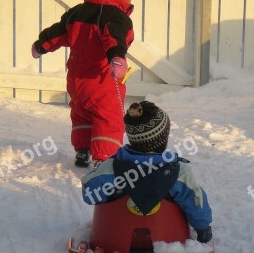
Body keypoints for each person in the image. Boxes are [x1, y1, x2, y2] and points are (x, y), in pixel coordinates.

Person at [31, 0, 146, 167]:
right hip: (101, 80)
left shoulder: (77, 12)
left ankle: (82, 151)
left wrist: (41, 46)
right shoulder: (116, 16)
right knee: (108, 117)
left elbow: (58, 33)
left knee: (81, 113)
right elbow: (114, 38)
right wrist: (117, 58)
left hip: (76, 81)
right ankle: (103, 160)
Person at [80, 101, 213, 243]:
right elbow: (194, 199)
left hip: (116, 237)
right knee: (190, 191)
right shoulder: (179, 171)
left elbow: (89, 194)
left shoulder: (112, 167)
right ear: (163, 139)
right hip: (168, 236)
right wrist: (203, 227)